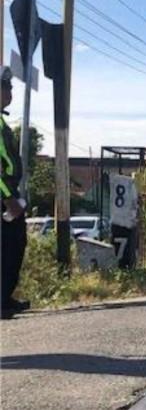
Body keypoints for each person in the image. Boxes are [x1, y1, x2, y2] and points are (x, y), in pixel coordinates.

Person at [0, 66, 29, 320]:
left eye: (10, 87)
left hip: (7, 194)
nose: (9, 92)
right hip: (3, 197)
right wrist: (8, 198)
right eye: (5, 87)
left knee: (13, 246)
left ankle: (4, 297)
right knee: (9, 247)